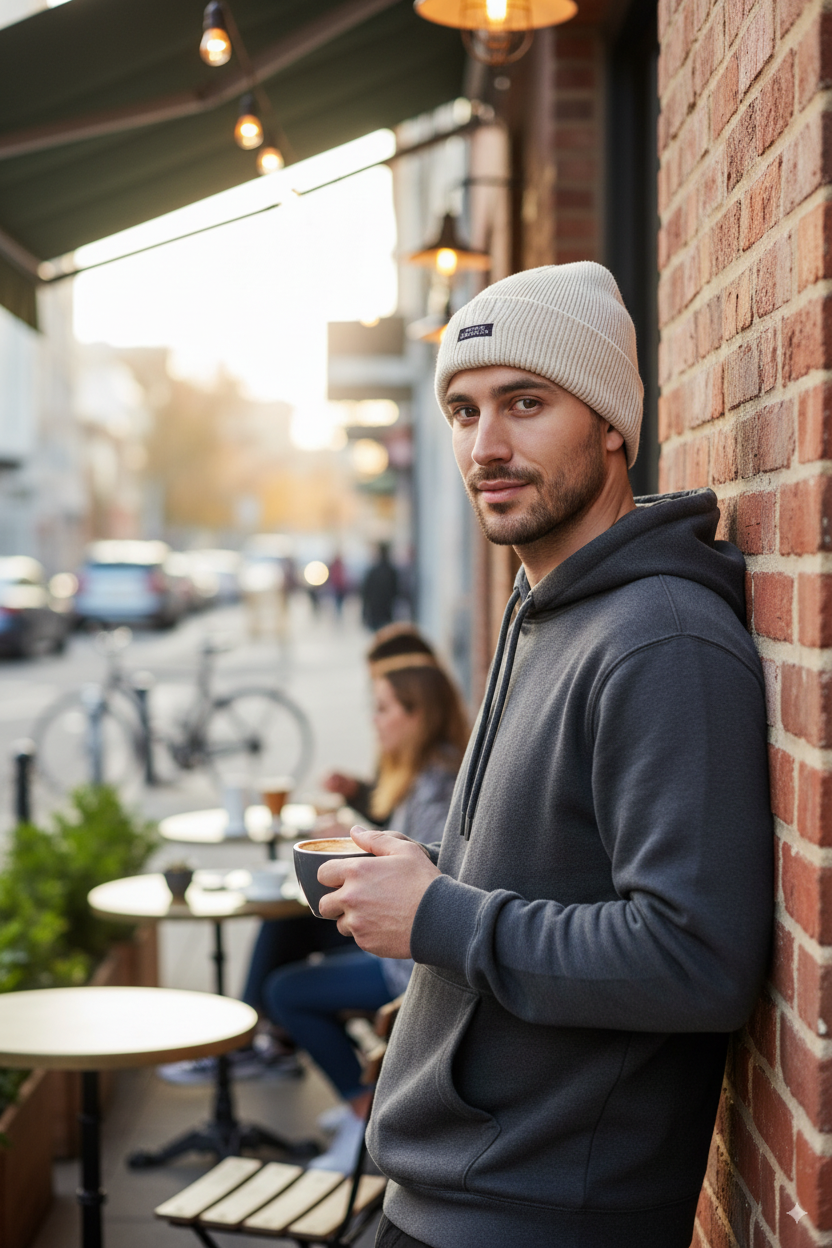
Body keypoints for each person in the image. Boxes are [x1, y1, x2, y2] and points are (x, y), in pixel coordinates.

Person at [317, 263, 774, 1248]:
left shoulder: (659, 641)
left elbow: (696, 958)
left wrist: (436, 916)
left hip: (536, 1213)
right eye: (463, 410)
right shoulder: (543, 611)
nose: (486, 445)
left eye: (525, 403)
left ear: (609, 422)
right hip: (451, 1184)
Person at [262, 624, 468, 1173]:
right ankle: (326, 1077)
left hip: (407, 967)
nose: (374, 721)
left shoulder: (436, 786)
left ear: (417, 713)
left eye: (383, 709)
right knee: (290, 933)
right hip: (404, 953)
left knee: (287, 989)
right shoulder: (421, 772)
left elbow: (418, 874)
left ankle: (363, 1110)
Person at [361, 543, 398, 630]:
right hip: (386, 609)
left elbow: (366, 592)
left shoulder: (373, 571)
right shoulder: (391, 571)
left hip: (376, 609)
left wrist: (364, 612)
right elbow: (396, 592)